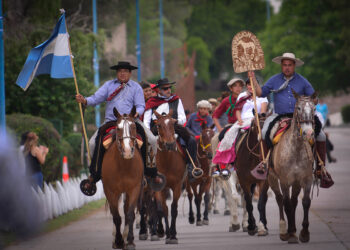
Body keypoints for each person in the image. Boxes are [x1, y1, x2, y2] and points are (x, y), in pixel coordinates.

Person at [76, 61, 162, 195]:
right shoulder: (108, 85)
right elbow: (96, 98)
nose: (122, 73)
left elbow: (140, 105)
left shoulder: (136, 87)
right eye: (120, 71)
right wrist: (85, 100)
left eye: (125, 71)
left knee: (151, 139)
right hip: (112, 121)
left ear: (130, 73)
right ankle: (95, 174)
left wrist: (137, 113)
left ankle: (150, 172)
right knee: (92, 143)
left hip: (132, 121)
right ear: (117, 73)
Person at [253, 52, 333, 187]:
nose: (287, 68)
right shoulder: (274, 80)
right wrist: (253, 78)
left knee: (321, 136)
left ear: (294, 65)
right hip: (279, 115)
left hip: (301, 117)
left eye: (289, 65)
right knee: (264, 131)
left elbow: (314, 98)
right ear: (281, 66)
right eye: (284, 65)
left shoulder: (303, 81)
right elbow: (261, 93)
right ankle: (264, 164)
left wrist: (310, 101)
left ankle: (320, 169)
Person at [143, 78, 203, 181]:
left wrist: (176, 121)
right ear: (159, 90)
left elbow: (182, 117)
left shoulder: (176, 100)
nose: (168, 90)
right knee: (144, 143)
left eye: (169, 88)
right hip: (157, 127)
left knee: (192, 140)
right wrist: (148, 132)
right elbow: (146, 120)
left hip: (174, 125)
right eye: (165, 88)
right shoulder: (151, 101)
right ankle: (145, 170)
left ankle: (191, 166)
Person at [213, 78, 268, 168]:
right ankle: (230, 160)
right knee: (228, 135)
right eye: (249, 84)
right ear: (246, 86)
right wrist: (239, 120)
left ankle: (268, 158)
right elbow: (237, 110)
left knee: (267, 135)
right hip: (243, 121)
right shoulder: (242, 95)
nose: (251, 86)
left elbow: (263, 110)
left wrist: (258, 118)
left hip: (257, 120)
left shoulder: (262, 96)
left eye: (253, 84)